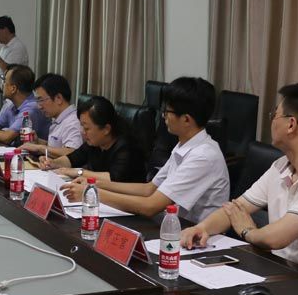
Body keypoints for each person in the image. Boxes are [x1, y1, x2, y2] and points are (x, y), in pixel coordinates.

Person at [180, 82, 298, 285]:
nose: (271, 121)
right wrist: (202, 228)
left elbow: (276, 238)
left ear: (291, 124)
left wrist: (247, 231)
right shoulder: (280, 165)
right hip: (285, 277)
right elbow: (236, 208)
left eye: (274, 115)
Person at [61, 77, 228, 221]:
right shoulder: (184, 146)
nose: (163, 116)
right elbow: (149, 189)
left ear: (186, 120)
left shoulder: (203, 156)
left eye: (167, 111)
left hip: (197, 235)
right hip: (176, 226)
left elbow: (150, 206)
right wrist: (94, 184)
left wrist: (92, 192)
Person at [40, 96, 146, 183]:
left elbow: (114, 179)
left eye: (86, 128)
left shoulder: (127, 147)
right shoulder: (94, 143)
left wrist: (79, 172)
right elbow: (72, 159)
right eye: (81, 126)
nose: (82, 132)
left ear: (106, 129)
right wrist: (53, 163)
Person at [20, 73, 83, 158]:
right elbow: (57, 146)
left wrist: (39, 148)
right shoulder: (59, 118)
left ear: (58, 98)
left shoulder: (73, 122)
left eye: (41, 100)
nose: (39, 106)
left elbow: (72, 153)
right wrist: (37, 142)